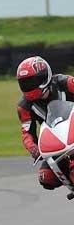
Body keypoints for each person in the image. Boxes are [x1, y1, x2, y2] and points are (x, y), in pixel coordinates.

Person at [16, 56, 74, 190]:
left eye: (31, 81)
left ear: (44, 77)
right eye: (24, 83)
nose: (28, 86)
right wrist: (33, 148)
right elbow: (26, 131)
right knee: (46, 177)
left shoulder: (65, 83)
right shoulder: (24, 106)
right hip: (57, 142)